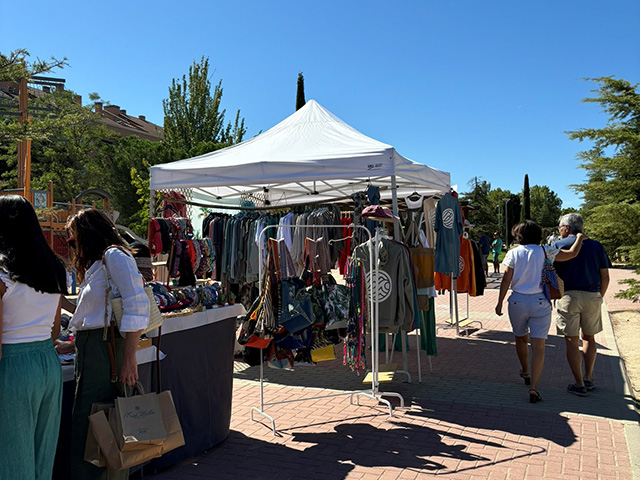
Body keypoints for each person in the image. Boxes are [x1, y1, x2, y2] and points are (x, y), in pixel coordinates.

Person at [66, 208, 150, 479]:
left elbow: (137, 305)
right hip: (97, 348)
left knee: (95, 421)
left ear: (87, 235)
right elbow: (94, 315)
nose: (72, 245)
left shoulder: (114, 256)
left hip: (106, 351)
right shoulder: (101, 263)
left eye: (73, 239)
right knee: (98, 421)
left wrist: (129, 358)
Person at [0, 195, 68, 479]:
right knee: (42, 456)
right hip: (46, 362)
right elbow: (54, 329)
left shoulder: (3, 272)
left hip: (13, 365)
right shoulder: (52, 267)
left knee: (13, 458)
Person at [495, 220, 585, 403]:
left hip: (517, 301)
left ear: (518, 235)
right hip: (540, 302)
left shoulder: (513, 253)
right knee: (539, 347)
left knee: (520, 338)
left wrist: (499, 302)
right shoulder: (546, 251)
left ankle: (525, 371)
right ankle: (534, 387)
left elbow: (506, 279)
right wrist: (579, 239)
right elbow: (572, 254)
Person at [553, 213, 611, 396]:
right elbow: (605, 276)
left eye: (560, 226)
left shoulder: (557, 245)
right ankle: (588, 377)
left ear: (567, 228)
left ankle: (578, 383)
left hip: (568, 296)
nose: (559, 229)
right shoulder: (596, 246)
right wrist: (599, 296)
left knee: (571, 340)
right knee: (589, 337)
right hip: (593, 295)